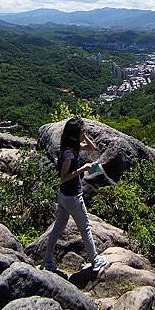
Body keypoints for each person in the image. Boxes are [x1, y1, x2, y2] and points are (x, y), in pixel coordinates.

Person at [43, 117, 108, 272]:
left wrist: (85, 135)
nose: (84, 133)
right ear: (74, 133)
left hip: (64, 196)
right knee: (85, 228)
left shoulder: (72, 146)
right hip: (72, 197)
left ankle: (47, 260)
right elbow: (63, 177)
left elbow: (92, 148)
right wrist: (83, 169)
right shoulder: (69, 154)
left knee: (58, 228)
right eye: (82, 131)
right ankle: (95, 260)